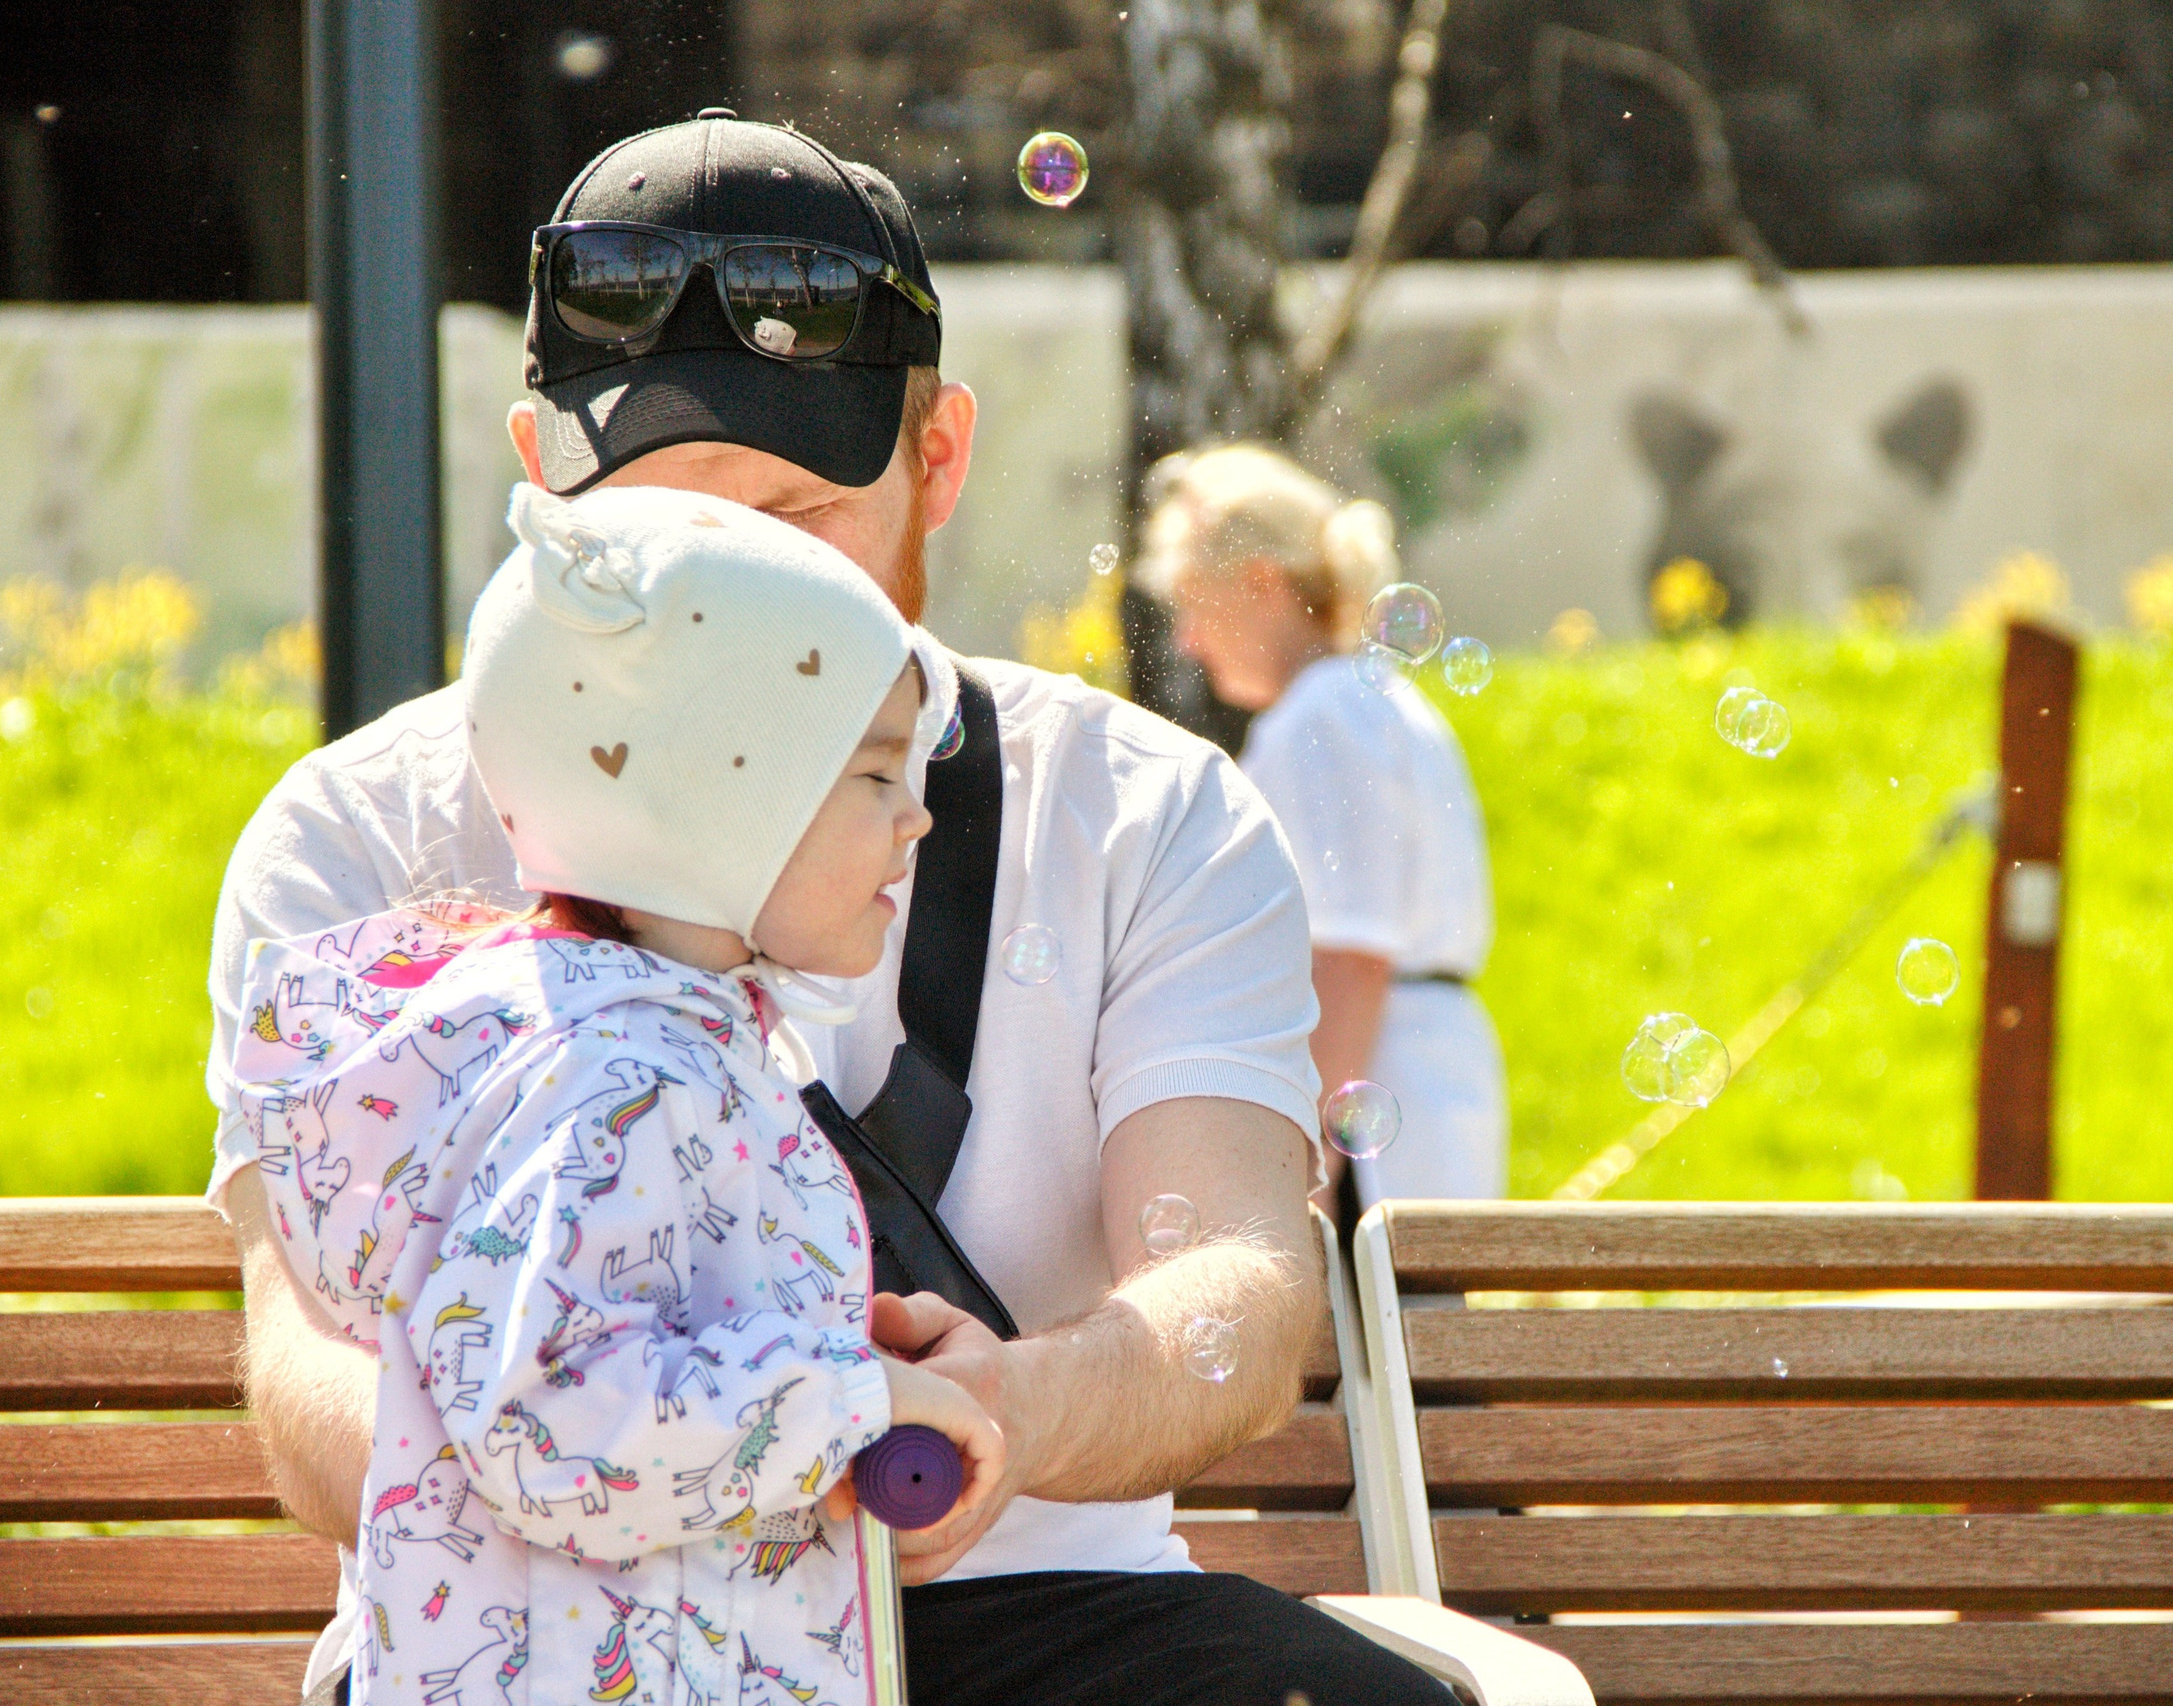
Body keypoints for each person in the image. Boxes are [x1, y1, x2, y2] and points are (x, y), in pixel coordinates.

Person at [205, 113, 1456, 1705]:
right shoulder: (357, 832)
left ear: (938, 461)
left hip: (1044, 1603)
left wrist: (1010, 1407)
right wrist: (738, 1450)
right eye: (659, 530)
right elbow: (313, 1365)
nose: (727, 595)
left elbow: (1238, 1282)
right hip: (546, 1635)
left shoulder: (1146, 807)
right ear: (541, 473)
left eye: (795, 525)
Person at [232, 482, 1005, 1705]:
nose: (916, 815)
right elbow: (552, 1424)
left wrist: (796, 1356)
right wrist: (848, 1401)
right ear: (714, 802)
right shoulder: (620, 1080)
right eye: (867, 774)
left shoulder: (643, 1043)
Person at [1138, 445, 1506, 1208]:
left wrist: (1302, 1184)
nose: (1186, 641)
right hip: (1421, 1090)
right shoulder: (1368, 699)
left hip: (1377, 1099)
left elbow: (1349, 957)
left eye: (1190, 603)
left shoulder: (1323, 714)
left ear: (1261, 583)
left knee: (1377, 1325)